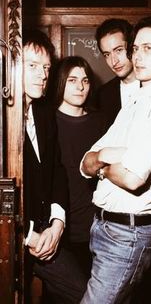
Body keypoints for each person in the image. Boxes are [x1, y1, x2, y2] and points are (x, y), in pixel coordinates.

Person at [80, 15, 151, 303]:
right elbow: (85, 163)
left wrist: (102, 168)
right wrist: (106, 157)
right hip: (105, 229)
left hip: (127, 235)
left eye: (149, 48)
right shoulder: (135, 102)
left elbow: (132, 178)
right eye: (136, 48)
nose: (138, 56)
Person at [23, 29, 86, 303]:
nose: (43, 74)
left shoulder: (44, 111)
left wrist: (58, 222)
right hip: (14, 237)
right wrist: (27, 236)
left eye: (46, 67)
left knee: (87, 294)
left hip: (46, 233)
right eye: (33, 66)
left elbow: (57, 170)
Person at [54, 55, 106, 280]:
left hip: (97, 227)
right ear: (61, 82)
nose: (80, 86)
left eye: (85, 80)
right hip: (59, 227)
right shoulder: (47, 121)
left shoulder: (101, 122)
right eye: (72, 80)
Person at [95, 18, 140, 129]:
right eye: (107, 54)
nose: (114, 61)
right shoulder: (102, 95)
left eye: (118, 50)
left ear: (131, 47)